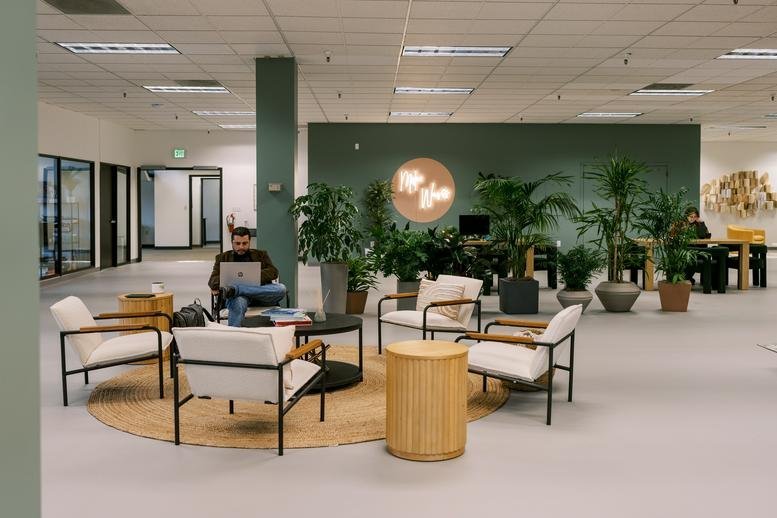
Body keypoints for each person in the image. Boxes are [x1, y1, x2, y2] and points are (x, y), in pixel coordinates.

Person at [208, 227, 287, 326]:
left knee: (281, 289)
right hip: (239, 297)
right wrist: (231, 275)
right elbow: (212, 281)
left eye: (244, 243)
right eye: (237, 243)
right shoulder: (223, 258)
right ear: (232, 243)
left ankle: (236, 289)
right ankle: (236, 337)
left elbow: (273, 272)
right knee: (238, 302)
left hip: (260, 295)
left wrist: (250, 276)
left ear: (249, 242)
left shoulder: (261, 255)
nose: (241, 247)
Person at [685, 207, 711, 285]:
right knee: (690, 258)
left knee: (693, 258)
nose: (693, 219)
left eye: (695, 217)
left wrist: (702, 223)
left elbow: (703, 235)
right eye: (691, 216)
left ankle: (687, 278)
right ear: (686, 216)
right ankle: (687, 278)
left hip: (699, 250)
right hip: (686, 250)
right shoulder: (682, 224)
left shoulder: (699, 224)